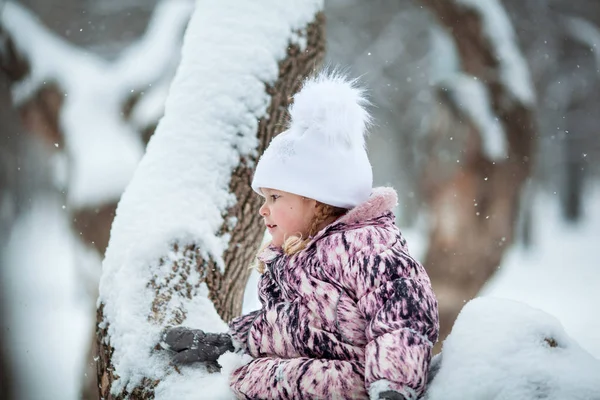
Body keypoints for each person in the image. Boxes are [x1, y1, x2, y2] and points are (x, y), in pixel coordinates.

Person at [160, 71, 439, 400]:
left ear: (318, 200)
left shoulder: (368, 249)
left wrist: (391, 387)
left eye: (275, 198)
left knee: (258, 378)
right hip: (317, 374)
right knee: (247, 376)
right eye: (264, 199)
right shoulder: (294, 258)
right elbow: (289, 327)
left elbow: (403, 318)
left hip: (362, 383)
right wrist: (229, 343)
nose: (263, 210)